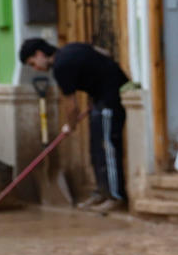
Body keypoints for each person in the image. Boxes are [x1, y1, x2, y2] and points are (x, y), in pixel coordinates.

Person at [20, 38, 129, 214]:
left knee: (107, 148)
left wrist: (70, 126)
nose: (36, 68)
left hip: (111, 100)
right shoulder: (71, 48)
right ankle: (102, 192)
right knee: (96, 150)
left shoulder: (61, 68)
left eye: (33, 63)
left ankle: (116, 197)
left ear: (40, 54)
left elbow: (72, 106)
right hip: (101, 98)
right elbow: (104, 53)